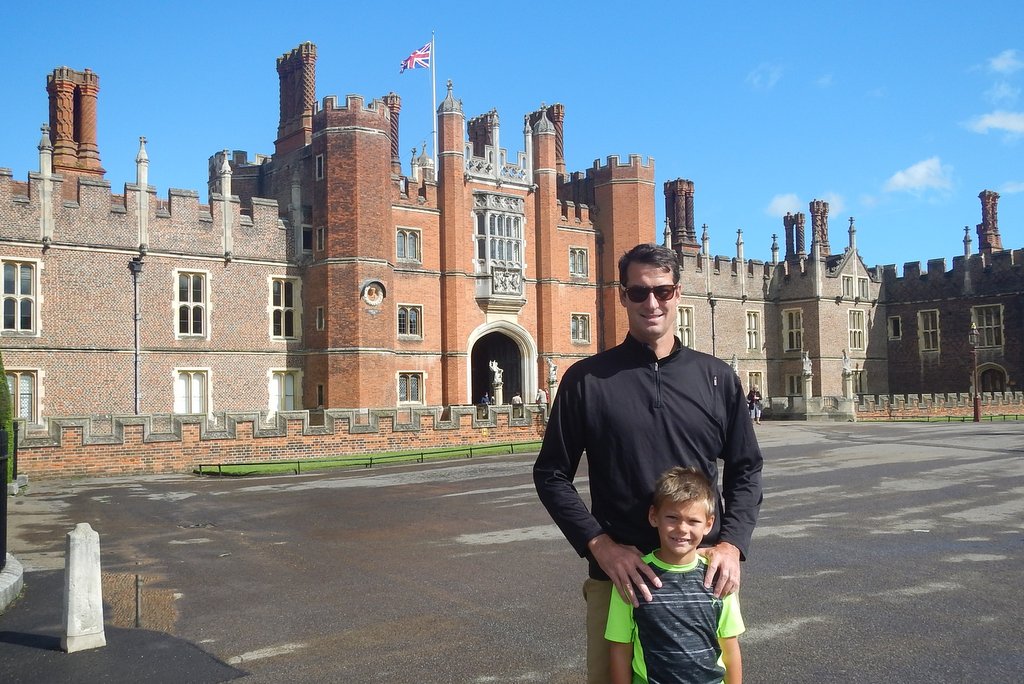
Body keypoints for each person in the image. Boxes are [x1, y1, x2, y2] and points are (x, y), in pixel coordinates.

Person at [534, 243, 763, 684]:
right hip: (620, 578)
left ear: (678, 293)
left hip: (700, 576)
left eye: (662, 290)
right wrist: (600, 545)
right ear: (622, 296)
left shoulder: (716, 378)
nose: (651, 302)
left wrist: (732, 544)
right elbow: (551, 474)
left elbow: (746, 467)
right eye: (638, 292)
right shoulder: (587, 380)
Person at [606, 467, 744, 684]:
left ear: (709, 524)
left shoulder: (718, 577)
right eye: (672, 517)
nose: (682, 528)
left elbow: (730, 647)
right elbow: (620, 648)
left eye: (693, 521)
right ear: (654, 516)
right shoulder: (632, 577)